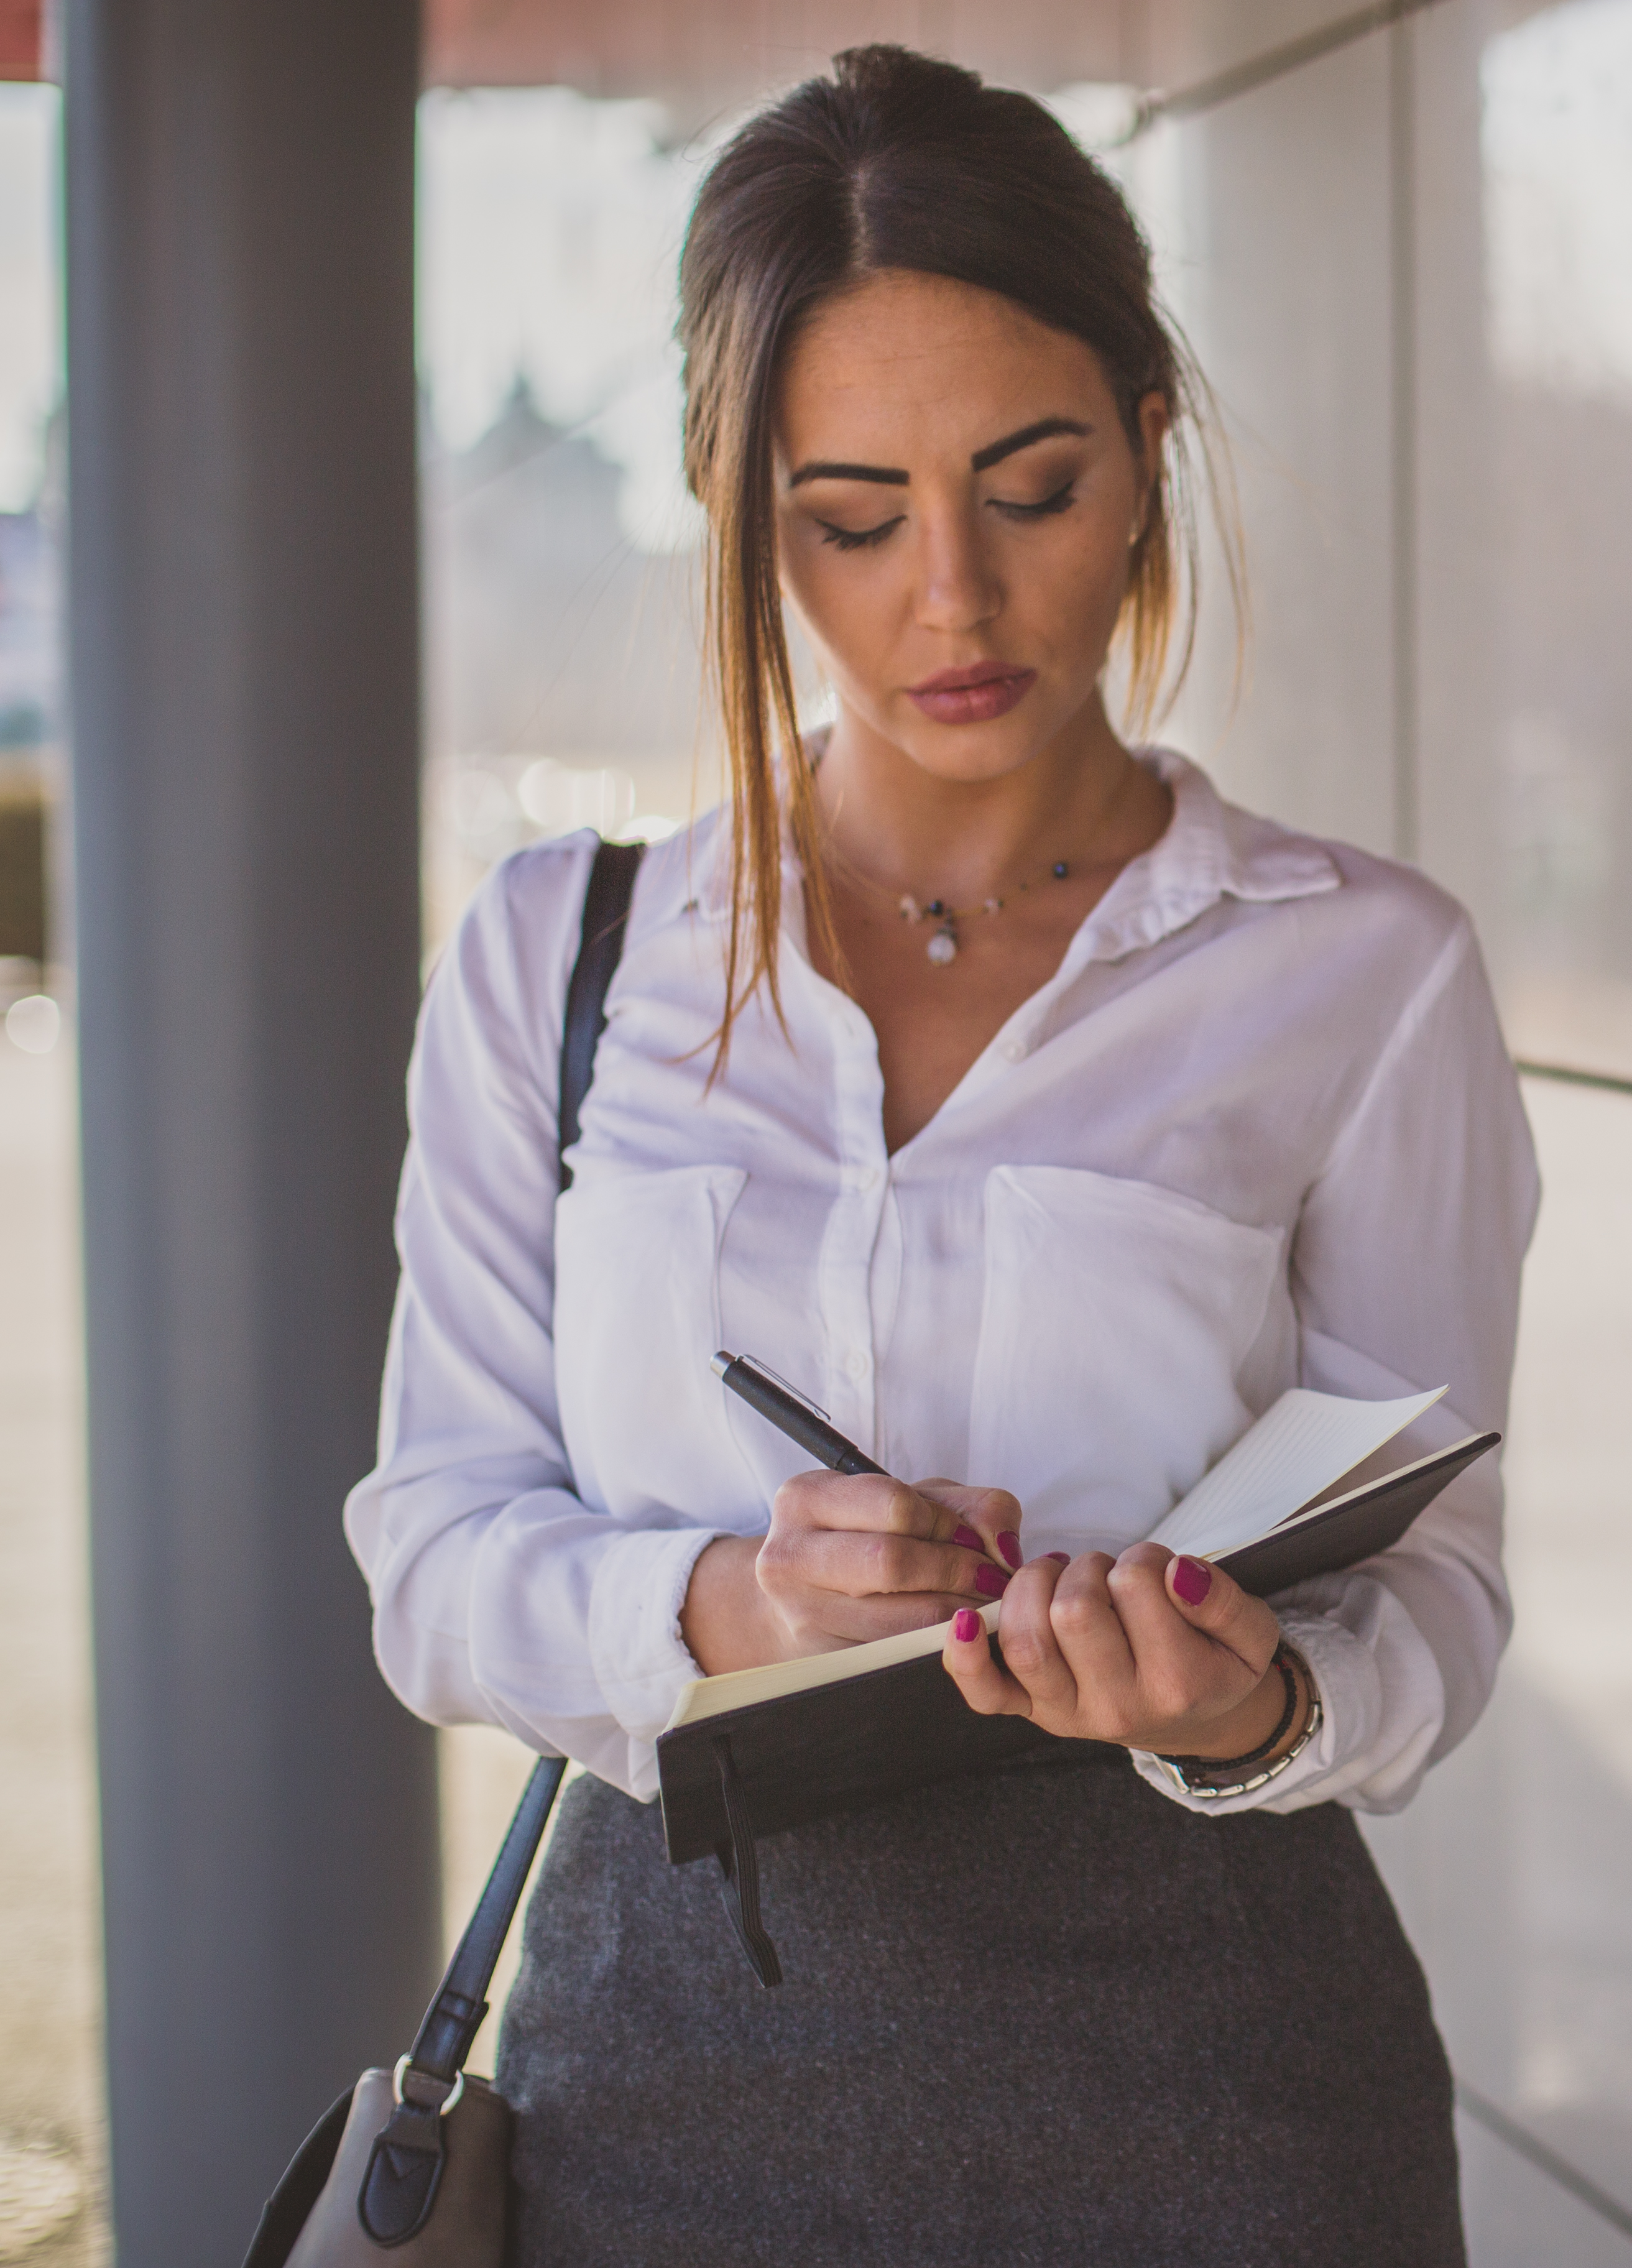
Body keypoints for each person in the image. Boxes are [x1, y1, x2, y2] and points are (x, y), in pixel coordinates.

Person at [344, 45, 1533, 2262]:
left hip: (1226, 2081)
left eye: (1033, 484)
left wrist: (1252, 1695)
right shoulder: (556, 957)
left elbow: (1438, 1596)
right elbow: (432, 1548)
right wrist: (732, 1603)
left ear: (1152, 447)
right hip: (663, 2078)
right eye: (853, 515)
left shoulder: (1361, 974)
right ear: (737, 505)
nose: (955, 601)